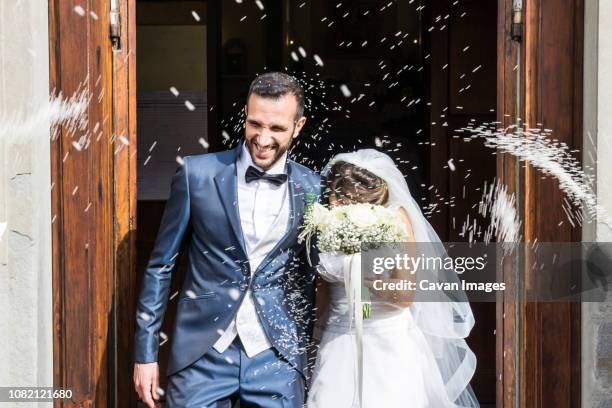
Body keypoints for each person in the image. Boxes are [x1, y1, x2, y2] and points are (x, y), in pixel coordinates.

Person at [133, 72, 321, 407]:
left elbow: (315, 275)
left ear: (298, 125)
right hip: (201, 357)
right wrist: (145, 354)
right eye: (254, 124)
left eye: (276, 128)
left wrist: (304, 352)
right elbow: (161, 267)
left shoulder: (313, 188)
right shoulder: (197, 174)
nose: (262, 139)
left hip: (277, 359)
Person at [307, 149, 480, 408]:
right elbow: (323, 287)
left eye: (339, 197)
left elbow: (406, 294)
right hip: (337, 339)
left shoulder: (396, 220)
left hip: (386, 340)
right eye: (332, 196)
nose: (333, 203)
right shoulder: (325, 223)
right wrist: (314, 335)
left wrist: (371, 284)